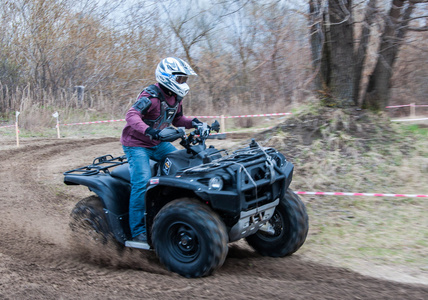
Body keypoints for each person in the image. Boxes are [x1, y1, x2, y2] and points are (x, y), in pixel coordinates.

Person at [120, 57, 202, 242]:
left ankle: (173, 211)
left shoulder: (175, 97)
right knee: (141, 181)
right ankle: (138, 231)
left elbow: (177, 120)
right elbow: (131, 115)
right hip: (137, 144)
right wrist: (150, 131)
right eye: (180, 79)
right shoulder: (150, 96)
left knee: (182, 164)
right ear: (167, 77)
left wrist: (194, 122)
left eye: (184, 79)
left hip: (157, 143)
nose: (183, 83)